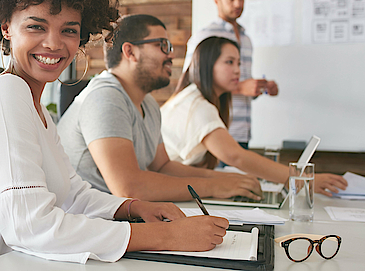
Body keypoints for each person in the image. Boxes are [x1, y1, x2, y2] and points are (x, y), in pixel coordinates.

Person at [0, 0, 228, 265]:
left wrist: (132, 207)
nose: (53, 44)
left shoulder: (39, 110)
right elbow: (28, 224)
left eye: (69, 30)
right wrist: (167, 236)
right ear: (7, 27)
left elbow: (72, 193)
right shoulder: (7, 93)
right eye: (36, 26)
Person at [57, 14, 262, 202]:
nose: (171, 55)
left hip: (117, 219)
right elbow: (129, 188)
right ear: (130, 52)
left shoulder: (148, 104)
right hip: (88, 225)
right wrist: (214, 185)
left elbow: (162, 167)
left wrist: (226, 180)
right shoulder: (105, 97)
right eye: (162, 45)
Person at [161, 36, 348, 196]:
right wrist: (299, 178)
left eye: (239, 63)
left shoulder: (196, 98)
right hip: (165, 190)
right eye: (229, 62)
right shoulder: (197, 105)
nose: (237, 70)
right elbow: (236, 156)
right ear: (207, 65)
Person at [184, 0, 277, 150]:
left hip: (243, 132)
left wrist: (259, 88)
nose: (238, 4)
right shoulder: (205, 36)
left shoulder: (247, 39)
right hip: (214, 130)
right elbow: (191, 82)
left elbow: (236, 82)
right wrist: (241, 87)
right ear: (216, 0)